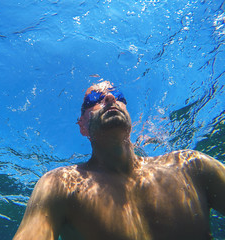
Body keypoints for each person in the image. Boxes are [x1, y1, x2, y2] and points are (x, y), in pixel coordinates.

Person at [13, 81, 225, 240]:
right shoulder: (60, 185)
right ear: (82, 127)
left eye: (117, 94)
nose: (109, 98)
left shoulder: (191, 166)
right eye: (93, 99)